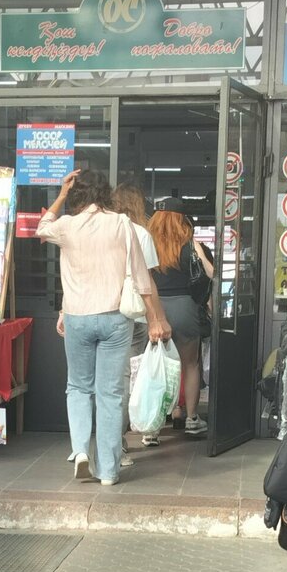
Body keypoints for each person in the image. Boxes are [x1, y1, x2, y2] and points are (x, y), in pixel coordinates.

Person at [37, 170, 171, 486]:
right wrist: (155, 317)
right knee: (110, 393)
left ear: (77, 195)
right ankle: (109, 471)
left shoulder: (67, 226)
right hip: (115, 317)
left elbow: (40, 228)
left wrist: (61, 194)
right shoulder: (122, 224)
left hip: (78, 317)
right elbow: (141, 276)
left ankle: (81, 451)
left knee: (78, 387)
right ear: (105, 194)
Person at [148, 198, 214, 438]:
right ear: (182, 220)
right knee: (190, 365)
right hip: (185, 307)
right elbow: (211, 274)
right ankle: (192, 418)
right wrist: (198, 249)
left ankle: (152, 428)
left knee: (156, 367)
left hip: (154, 309)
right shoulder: (189, 245)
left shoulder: (148, 244)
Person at [111, 183, 162, 466]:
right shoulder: (141, 234)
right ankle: (117, 444)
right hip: (134, 317)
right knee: (127, 381)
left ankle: (106, 442)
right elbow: (148, 282)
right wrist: (157, 318)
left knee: (106, 383)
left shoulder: (104, 232)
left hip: (104, 313)